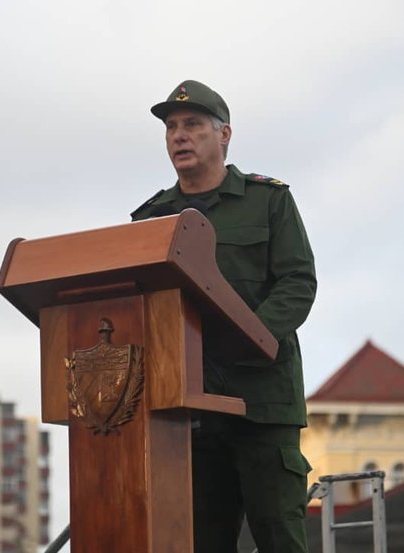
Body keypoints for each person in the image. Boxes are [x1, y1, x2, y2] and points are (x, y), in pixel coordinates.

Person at [131, 80, 317, 553]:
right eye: (171, 128)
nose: (178, 136)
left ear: (224, 135)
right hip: (187, 410)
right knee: (199, 541)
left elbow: (297, 283)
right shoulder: (151, 219)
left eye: (192, 125)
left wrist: (247, 339)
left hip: (261, 404)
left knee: (280, 535)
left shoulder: (268, 200)